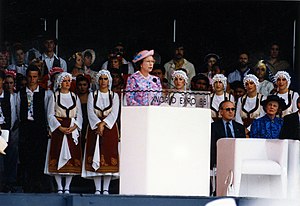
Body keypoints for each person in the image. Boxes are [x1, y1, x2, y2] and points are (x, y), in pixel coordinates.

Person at [82, 70, 119, 195]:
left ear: (109, 81)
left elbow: (114, 113)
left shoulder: (114, 96)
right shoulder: (92, 95)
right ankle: (97, 188)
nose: (103, 81)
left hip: (109, 128)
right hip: (95, 128)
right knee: (95, 153)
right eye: (101, 79)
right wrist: (98, 124)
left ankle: (106, 188)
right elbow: (90, 112)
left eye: (105, 79)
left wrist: (104, 124)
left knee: (108, 156)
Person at [45, 72, 83, 194]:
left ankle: (67, 186)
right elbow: (50, 114)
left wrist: (75, 126)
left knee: (71, 157)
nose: (67, 83)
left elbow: (79, 115)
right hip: (59, 130)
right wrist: (59, 127)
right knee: (57, 154)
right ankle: (59, 187)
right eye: (65, 81)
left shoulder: (74, 97)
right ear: (60, 82)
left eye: (69, 81)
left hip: (71, 129)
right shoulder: (55, 96)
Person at [17, 64, 51, 193]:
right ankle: (27, 185)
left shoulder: (45, 93)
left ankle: (40, 185)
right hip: (26, 128)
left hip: (39, 128)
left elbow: (48, 111)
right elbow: (18, 111)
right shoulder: (20, 93)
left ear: (39, 78)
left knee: (40, 156)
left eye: (35, 77)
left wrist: (48, 128)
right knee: (26, 157)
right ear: (27, 77)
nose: (32, 79)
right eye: (30, 77)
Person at [210, 100, 246, 169]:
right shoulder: (213, 127)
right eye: (227, 109)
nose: (231, 111)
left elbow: (242, 147)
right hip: (220, 161)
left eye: (233, 109)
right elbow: (212, 148)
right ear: (221, 112)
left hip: (236, 160)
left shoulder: (240, 127)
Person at [0, 70, 17, 192]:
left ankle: (9, 183)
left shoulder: (9, 96)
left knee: (10, 155)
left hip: (5, 130)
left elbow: (12, 114)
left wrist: (7, 130)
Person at [75, 74, 90, 153]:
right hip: (77, 125)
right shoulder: (73, 97)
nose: (82, 87)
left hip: (89, 124)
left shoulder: (92, 97)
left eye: (84, 85)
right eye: (80, 85)